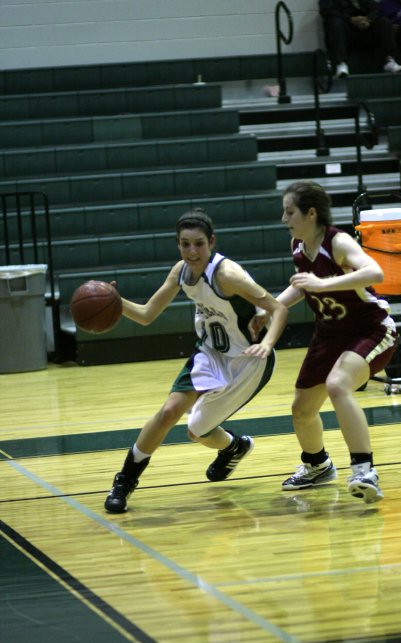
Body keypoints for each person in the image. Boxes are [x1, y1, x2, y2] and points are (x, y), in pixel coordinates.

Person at [104, 209, 288, 513]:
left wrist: (267, 344)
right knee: (168, 413)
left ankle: (233, 447)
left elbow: (278, 307)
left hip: (247, 359)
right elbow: (148, 315)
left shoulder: (227, 275)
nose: (192, 252)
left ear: (211, 242)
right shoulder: (180, 272)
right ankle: (125, 481)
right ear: (178, 244)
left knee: (197, 431)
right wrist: (115, 301)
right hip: (209, 353)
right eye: (185, 244)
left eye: (198, 244)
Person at [251, 182, 398, 504]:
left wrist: (324, 282)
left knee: (337, 385)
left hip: (369, 329)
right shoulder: (299, 245)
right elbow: (305, 287)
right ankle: (318, 465)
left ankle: (364, 470)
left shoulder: (339, 241)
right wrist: (270, 308)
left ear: (311, 213)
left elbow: (375, 273)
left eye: (289, 211)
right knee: (302, 409)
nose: (283, 218)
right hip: (329, 334)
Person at [319, 0, 401, 79]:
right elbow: (328, 13)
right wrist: (350, 19)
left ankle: (389, 60)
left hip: (364, 32)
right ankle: (341, 64)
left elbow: (375, 9)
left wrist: (368, 19)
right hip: (345, 34)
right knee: (335, 22)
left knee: (384, 22)